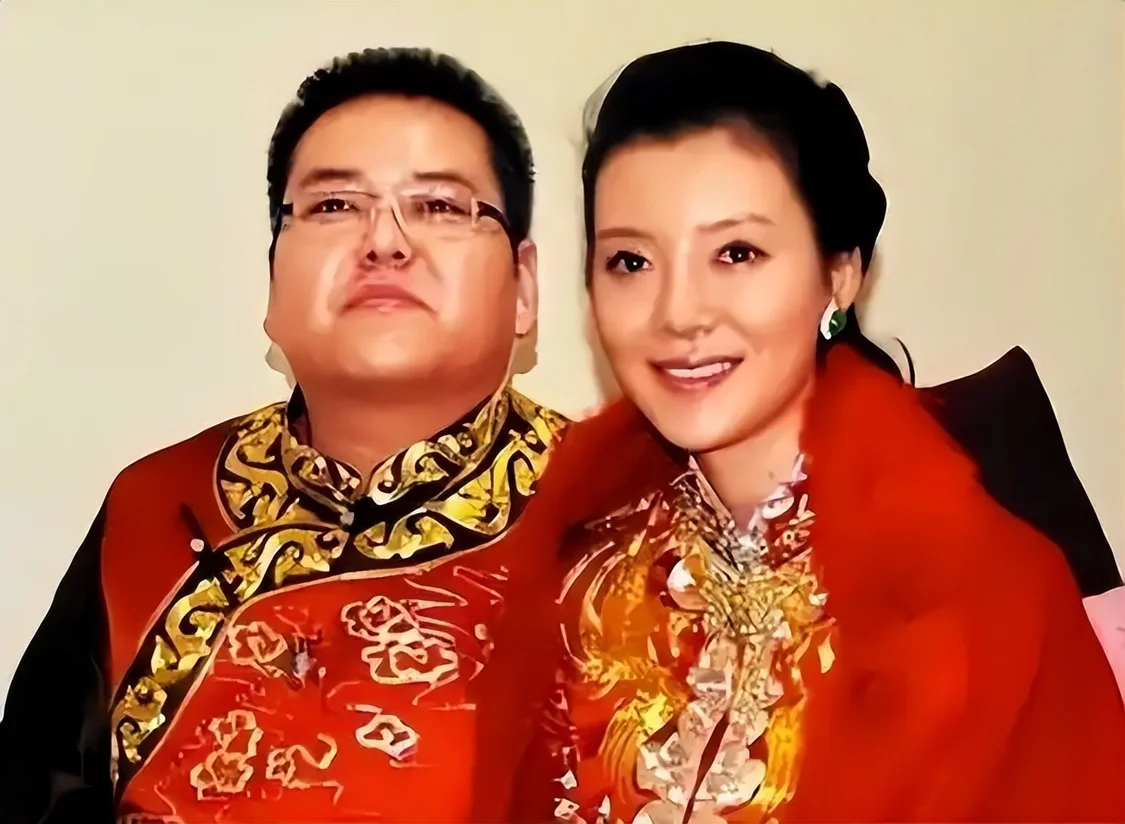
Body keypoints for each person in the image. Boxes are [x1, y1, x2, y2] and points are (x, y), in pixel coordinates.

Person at [0, 47, 651, 824]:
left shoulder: (629, 529)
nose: (386, 241)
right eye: (335, 205)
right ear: (274, 277)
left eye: (440, 206)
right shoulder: (155, 508)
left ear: (524, 288)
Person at [511, 41, 1125, 823]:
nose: (677, 313)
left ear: (838, 273)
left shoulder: (981, 598)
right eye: (630, 261)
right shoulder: (572, 569)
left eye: (736, 253)